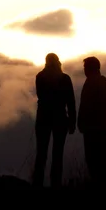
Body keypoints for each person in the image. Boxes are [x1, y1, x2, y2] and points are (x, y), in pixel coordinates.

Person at [32, 53, 76, 188]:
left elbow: (40, 96)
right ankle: (55, 184)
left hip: (43, 118)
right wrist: (72, 122)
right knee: (57, 154)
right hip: (60, 118)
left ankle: (37, 183)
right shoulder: (65, 78)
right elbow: (71, 102)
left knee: (41, 153)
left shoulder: (40, 77)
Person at [77, 56, 106, 188]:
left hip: (93, 127)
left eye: (85, 67)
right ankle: (102, 183)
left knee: (93, 158)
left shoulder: (92, 83)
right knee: (101, 157)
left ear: (91, 68)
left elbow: (87, 106)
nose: (84, 70)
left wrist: (82, 122)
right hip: (102, 127)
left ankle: (98, 185)